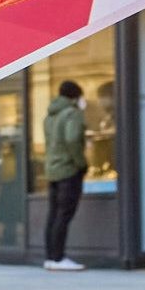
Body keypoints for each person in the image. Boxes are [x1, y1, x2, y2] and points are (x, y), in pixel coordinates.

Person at [41, 81, 89, 271]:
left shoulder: (49, 116)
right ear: (75, 97)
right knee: (64, 215)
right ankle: (59, 258)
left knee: (53, 215)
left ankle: (51, 257)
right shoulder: (72, 114)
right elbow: (72, 139)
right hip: (68, 171)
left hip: (52, 170)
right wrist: (81, 163)